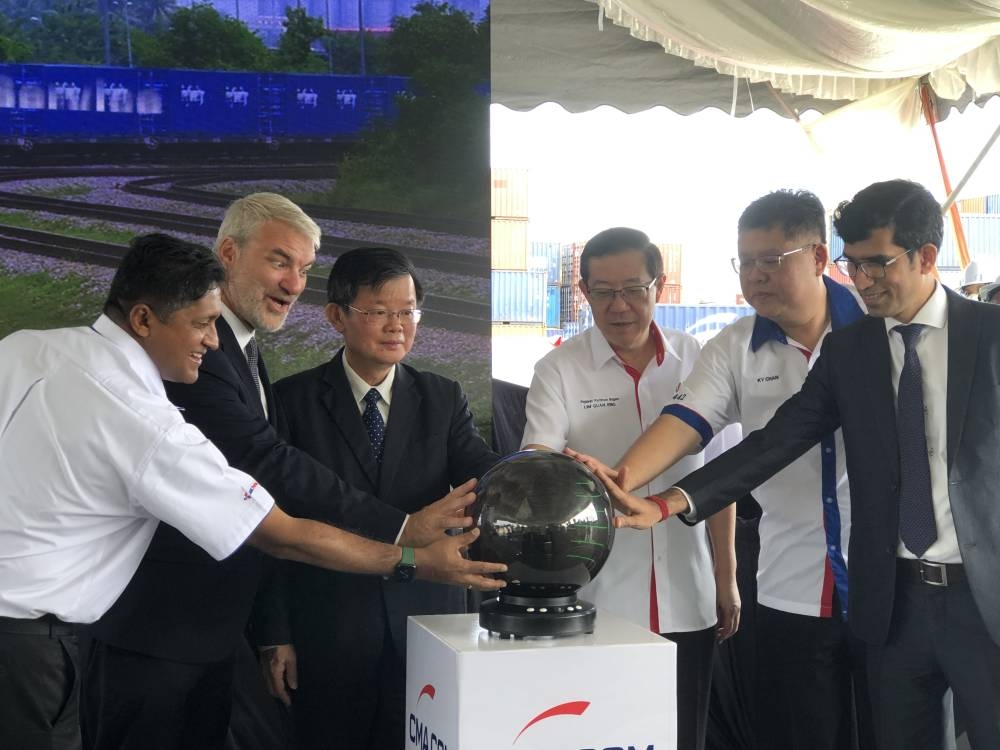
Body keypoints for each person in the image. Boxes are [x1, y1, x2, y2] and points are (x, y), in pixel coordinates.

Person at [0, 234, 504, 750]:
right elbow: (281, 535)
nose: (213, 342)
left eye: (409, 312)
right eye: (201, 324)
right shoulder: (148, 424)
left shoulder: (24, 348)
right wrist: (410, 555)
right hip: (35, 648)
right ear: (145, 320)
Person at [600, 180, 1000, 750]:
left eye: (877, 264)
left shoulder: (989, 336)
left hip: (981, 595)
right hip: (884, 599)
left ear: (926, 257)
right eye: (854, 265)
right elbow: (772, 442)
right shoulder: (854, 350)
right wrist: (664, 500)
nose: (862, 280)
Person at [583, 193, 874, 750]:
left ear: (817, 257)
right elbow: (686, 421)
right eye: (744, 262)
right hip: (792, 584)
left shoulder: (877, 329)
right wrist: (626, 481)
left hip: (892, 579)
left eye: (771, 260)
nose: (755, 276)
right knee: (800, 733)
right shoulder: (735, 348)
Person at [256, 247, 499, 750]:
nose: (397, 327)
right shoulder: (291, 401)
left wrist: (528, 470)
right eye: (378, 312)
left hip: (429, 624)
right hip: (329, 627)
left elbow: (479, 467)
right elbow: (271, 525)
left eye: (407, 312)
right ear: (336, 316)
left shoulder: (442, 395)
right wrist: (273, 632)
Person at [521, 227, 739, 750]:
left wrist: (726, 578)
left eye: (633, 289)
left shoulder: (700, 362)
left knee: (685, 732)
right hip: (598, 596)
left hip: (690, 593)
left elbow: (721, 479)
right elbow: (538, 472)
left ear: (658, 287)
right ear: (584, 291)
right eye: (603, 292)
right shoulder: (559, 369)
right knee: (602, 734)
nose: (619, 306)